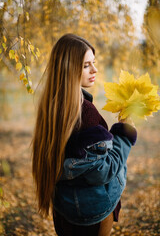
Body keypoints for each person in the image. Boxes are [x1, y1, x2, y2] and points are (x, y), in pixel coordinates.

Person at [32, 34, 137, 236]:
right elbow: (103, 171)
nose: (95, 70)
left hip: (63, 209)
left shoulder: (52, 107)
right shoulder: (84, 113)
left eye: (94, 63)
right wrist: (124, 134)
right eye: (86, 65)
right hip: (92, 213)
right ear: (69, 70)